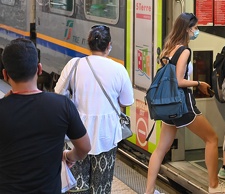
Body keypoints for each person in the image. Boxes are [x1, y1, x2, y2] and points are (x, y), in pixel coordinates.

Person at [145, 13, 225, 194]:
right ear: (187, 29)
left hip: (169, 105)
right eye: (194, 28)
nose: (196, 31)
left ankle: (149, 191)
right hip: (183, 104)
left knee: (160, 150)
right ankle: (214, 186)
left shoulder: (168, 48)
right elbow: (179, 81)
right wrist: (198, 84)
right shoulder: (184, 51)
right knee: (212, 139)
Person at [0, 38, 91, 193]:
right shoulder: (62, 105)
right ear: (39, 69)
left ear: (5, 74)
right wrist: (69, 156)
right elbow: (84, 148)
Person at [55, 25, 134, 193]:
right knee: (101, 189)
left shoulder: (74, 65)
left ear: (88, 44)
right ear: (109, 45)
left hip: (76, 136)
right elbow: (127, 102)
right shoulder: (119, 69)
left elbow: (58, 94)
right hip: (107, 136)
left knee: (76, 188)